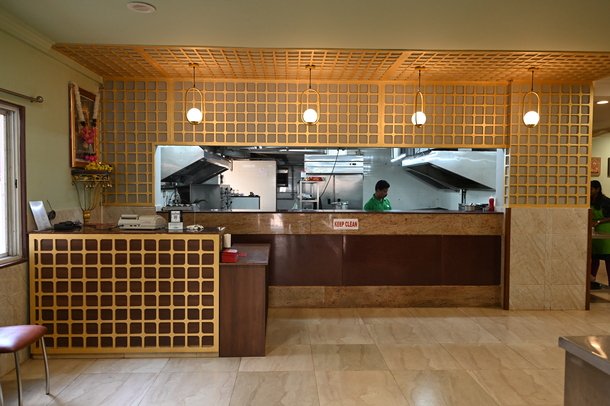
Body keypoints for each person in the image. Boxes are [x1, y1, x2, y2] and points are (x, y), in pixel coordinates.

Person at [591, 180, 610, 289]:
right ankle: (591, 281)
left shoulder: (606, 201)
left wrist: (598, 221)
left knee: (608, 259)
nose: (589, 191)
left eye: (591, 189)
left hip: (606, 232)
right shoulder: (589, 200)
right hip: (594, 233)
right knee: (594, 258)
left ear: (597, 189)